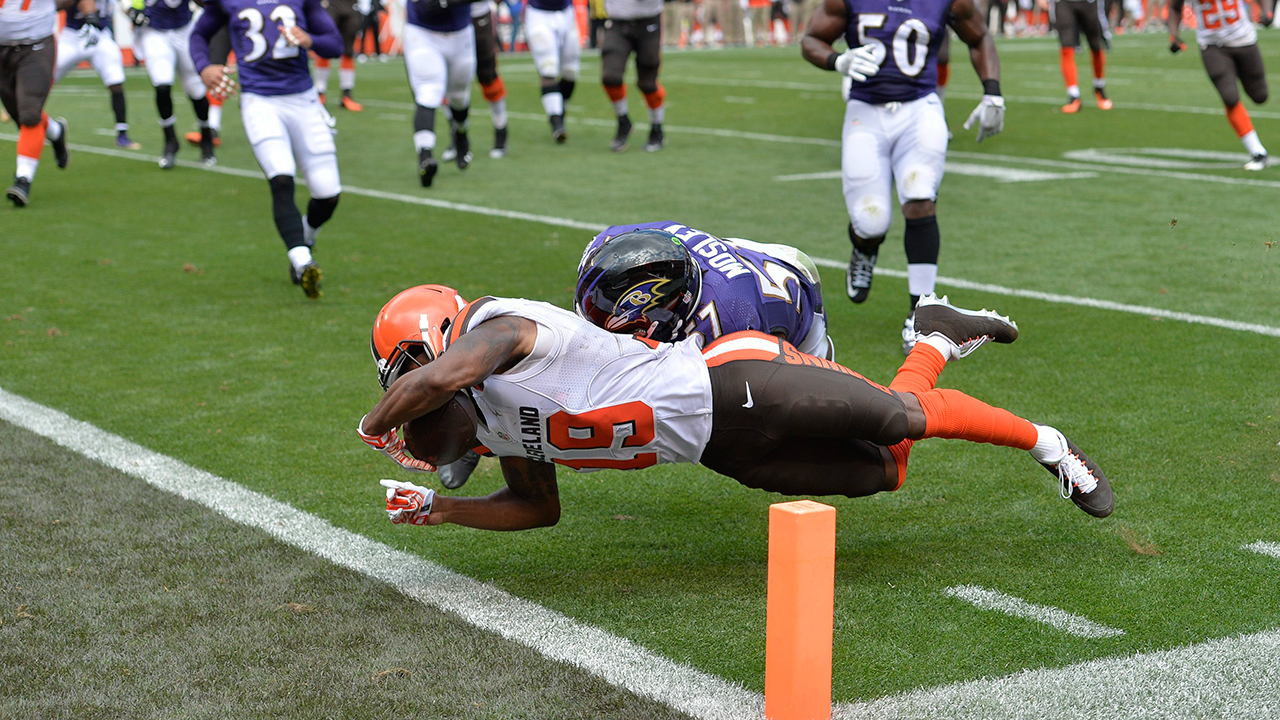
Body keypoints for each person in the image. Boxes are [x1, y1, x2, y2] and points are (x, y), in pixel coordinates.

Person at [359, 287, 1114, 531]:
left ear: (431, 350)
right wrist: (439, 510)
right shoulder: (490, 422)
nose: (412, 428)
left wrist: (373, 423)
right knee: (885, 470)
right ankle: (937, 339)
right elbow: (537, 511)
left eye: (403, 380)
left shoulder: (500, 331)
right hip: (721, 450)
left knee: (898, 420)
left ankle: (1050, 445)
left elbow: (437, 385)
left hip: (732, 379)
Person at [802, 0, 1005, 354]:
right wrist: (839, 60)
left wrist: (993, 92)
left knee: (920, 195)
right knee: (871, 221)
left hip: (920, 108)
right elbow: (811, 40)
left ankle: (921, 312)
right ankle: (864, 247)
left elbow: (979, 37)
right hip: (866, 111)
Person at [191, 0, 344, 299]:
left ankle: (305, 239)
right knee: (281, 178)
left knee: (328, 195)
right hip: (259, 101)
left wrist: (309, 39)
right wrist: (204, 66)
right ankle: (303, 263)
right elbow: (199, 35)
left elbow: (335, 45)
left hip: (304, 99)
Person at [1168, 0, 1273, 170]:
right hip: (1213, 46)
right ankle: (1257, 151)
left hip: (1244, 40)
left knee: (1260, 96)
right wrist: (1173, 35)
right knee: (1230, 97)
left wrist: (1267, 11)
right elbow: (1174, 7)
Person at [402, 0, 479, 186]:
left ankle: (460, 133)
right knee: (428, 91)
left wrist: (446, 2)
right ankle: (425, 156)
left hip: (461, 34)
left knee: (459, 97)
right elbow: (426, 5)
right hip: (423, 32)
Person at [1, 0, 70, 207]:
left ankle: (23, 181)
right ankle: (56, 132)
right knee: (21, 117)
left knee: (30, 114)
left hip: (36, 47)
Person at [133, 0, 216, 168]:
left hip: (184, 29)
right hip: (154, 31)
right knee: (162, 84)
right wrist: (131, 10)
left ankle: (206, 137)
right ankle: (170, 141)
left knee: (196, 90)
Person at [54, 0, 141, 150]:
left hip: (100, 36)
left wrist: (131, 12)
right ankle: (22, 103)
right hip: (73, 35)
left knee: (116, 80)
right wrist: (89, 15)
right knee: (45, 75)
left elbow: (125, 3)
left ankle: (122, 134)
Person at [443, 1, 511, 159]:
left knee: (488, 76)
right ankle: (457, 137)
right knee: (448, 80)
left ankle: (501, 130)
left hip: (477, 14)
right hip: (448, 18)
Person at [601, 0, 667, 152]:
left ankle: (657, 127)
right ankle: (623, 120)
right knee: (610, 76)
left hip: (648, 22)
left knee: (647, 83)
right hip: (617, 22)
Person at [525, 0, 580, 143]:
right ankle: (556, 122)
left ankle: (561, 110)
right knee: (548, 68)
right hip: (539, 14)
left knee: (571, 71)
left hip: (567, 12)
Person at [1050, 0, 1112, 112]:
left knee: (1096, 46)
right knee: (1066, 48)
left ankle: (1099, 87)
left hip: (1088, 2)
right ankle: (1073, 95)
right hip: (1063, 3)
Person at [313, 0, 365, 110]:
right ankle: (320, 93)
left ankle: (347, 95)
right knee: (325, 47)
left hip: (351, 5)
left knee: (348, 51)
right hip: (331, 5)